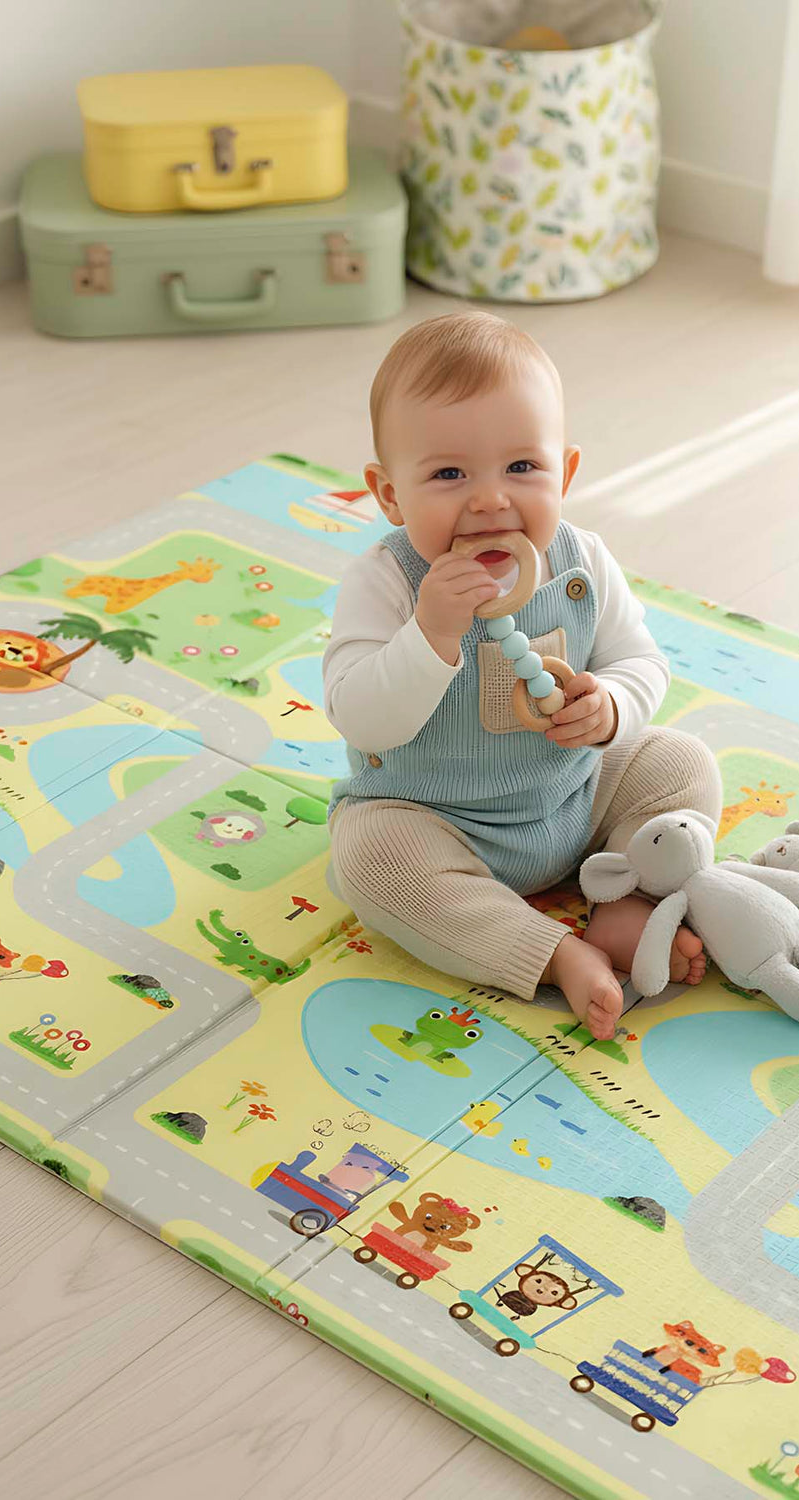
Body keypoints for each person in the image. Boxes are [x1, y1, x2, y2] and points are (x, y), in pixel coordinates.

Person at [322, 311, 722, 1039]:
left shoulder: (580, 559)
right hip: (437, 822)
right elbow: (360, 717)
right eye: (448, 474)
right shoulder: (385, 582)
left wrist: (611, 706)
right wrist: (431, 632)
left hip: (576, 795)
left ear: (564, 473)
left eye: (521, 468)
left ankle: (625, 898)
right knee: (368, 861)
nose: (489, 499)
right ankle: (552, 954)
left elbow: (640, 660)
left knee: (680, 760)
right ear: (389, 494)